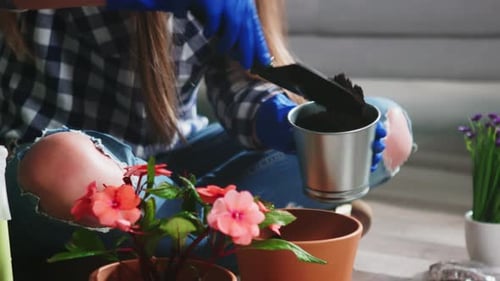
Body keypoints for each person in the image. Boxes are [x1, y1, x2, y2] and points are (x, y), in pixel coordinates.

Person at [0, 0, 414, 279]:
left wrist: (286, 123)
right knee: (65, 166)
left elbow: (242, 87)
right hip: (47, 165)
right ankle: (273, 233)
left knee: (389, 129)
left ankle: (173, 245)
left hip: (180, 163)